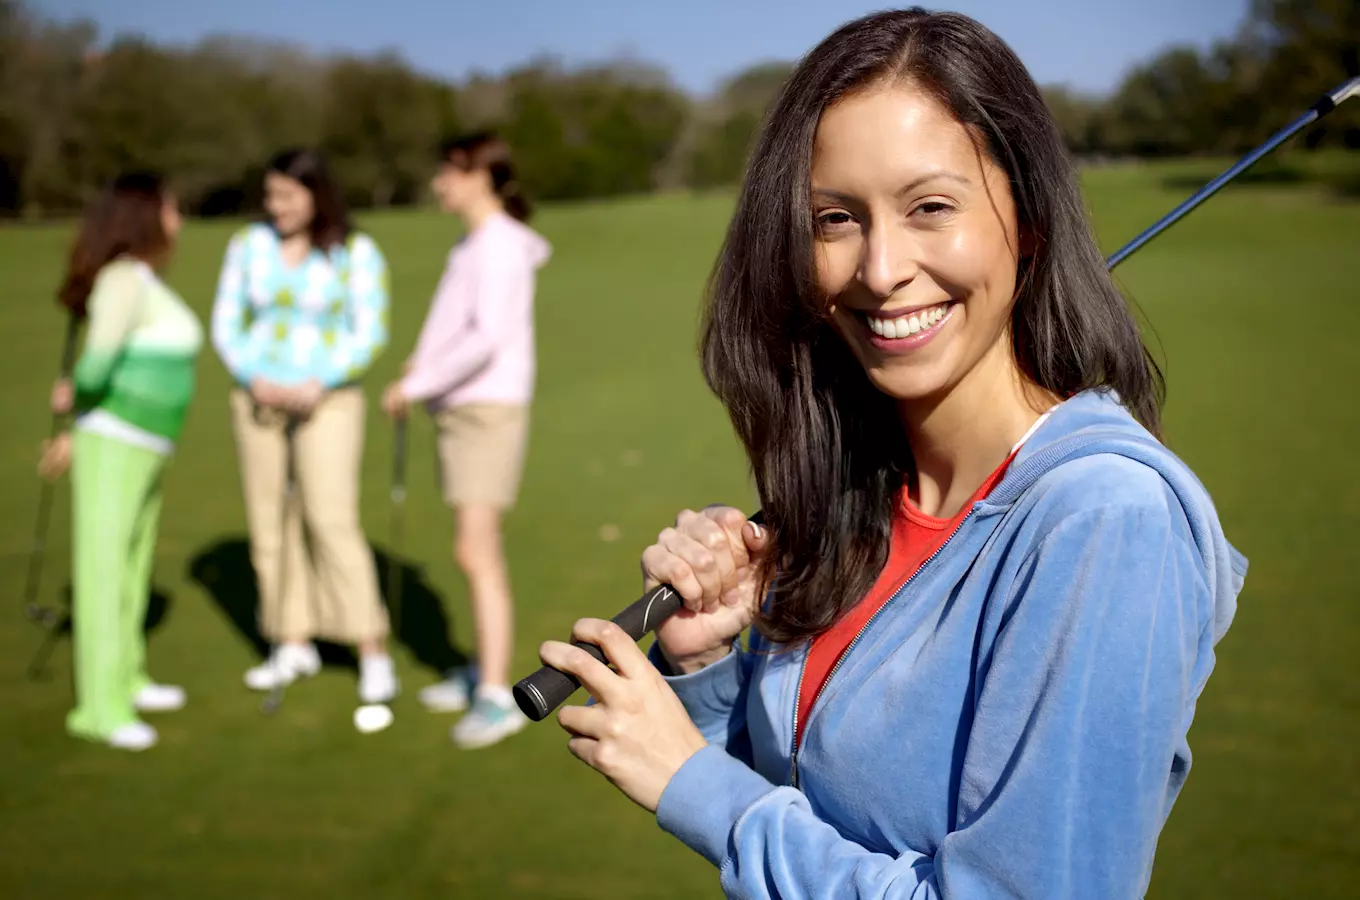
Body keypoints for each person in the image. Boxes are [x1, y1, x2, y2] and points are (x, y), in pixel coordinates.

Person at [536, 9, 1248, 898]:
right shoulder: (866, 498)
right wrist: (712, 672)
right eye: (836, 218)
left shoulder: (1105, 522)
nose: (879, 270)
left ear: (1025, 218)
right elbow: (813, 813)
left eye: (931, 208)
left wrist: (698, 790)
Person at [382, 131, 550, 748]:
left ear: (482, 174)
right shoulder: (477, 243)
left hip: (486, 411)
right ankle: (482, 669)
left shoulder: (500, 245)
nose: (438, 183)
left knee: (476, 552)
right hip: (463, 408)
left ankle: (494, 695)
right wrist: (420, 368)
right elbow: (458, 327)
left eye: (449, 172)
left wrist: (419, 381)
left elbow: (486, 338)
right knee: (471, 549)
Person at [211, 148, 397, 705]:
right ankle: (291, 639)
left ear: (317, 194)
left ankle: (371, 649)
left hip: (328, 400)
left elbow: (370, 330)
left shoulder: (355, 251)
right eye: (270, 195)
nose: (276, 206)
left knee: (329, 517)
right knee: (268, 520)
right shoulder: (248, 245)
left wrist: (321, 380)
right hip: (258, 398)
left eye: (287, 195)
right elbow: (227, 320)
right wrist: (253, 376)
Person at [38, 172, 202, 751]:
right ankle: (100, 709)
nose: (178, 220)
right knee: (105, 569)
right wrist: (74, 396)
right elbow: (97, 365)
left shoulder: (142, 280)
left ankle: (128, 677)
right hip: (115, 439)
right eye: (171, 208)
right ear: (146, 215)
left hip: (148, 444)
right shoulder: (121, 282)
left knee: (133, 563)